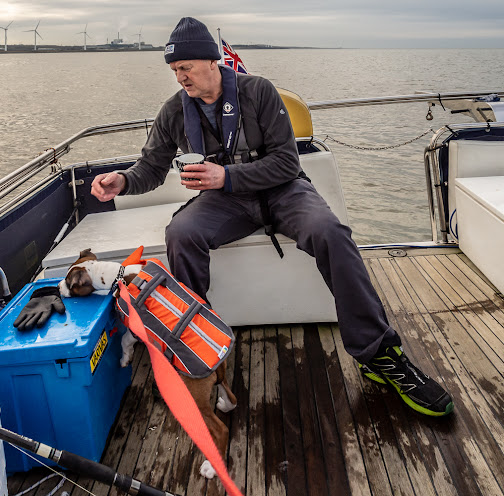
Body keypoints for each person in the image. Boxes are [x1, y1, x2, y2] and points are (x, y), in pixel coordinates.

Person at [91, 17, 453, 417]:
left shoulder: (258, 91)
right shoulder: (174, 111)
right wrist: (121, 182)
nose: (180, 78)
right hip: (225, 201)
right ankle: (197, 350)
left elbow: (286, 162)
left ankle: (380, 355)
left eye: (186, 68)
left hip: (282, 190)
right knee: (181, 232)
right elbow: (151, 167)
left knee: (330, 231)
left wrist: (226, 174)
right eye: (175, 70)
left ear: (213, 62)